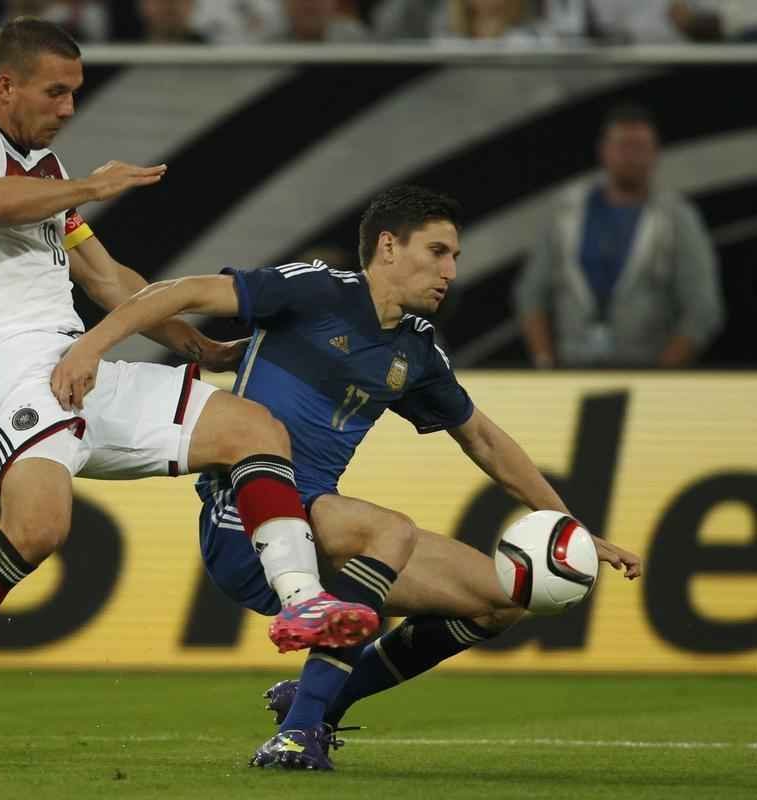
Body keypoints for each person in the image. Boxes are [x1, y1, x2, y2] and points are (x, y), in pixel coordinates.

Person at [0, 17, 377, 769]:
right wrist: (92, 184)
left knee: (252, 428)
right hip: (9, 366)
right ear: (6, 84)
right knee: (38, 531)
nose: (69, 107)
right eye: (56, 91)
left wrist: (193, 344)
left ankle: (301, 600)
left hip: (80, 358)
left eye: (76, 92)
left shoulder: (44, 173)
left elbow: (108, 281)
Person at [51, 185, 644, 770]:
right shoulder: (314, 289)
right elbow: (179, 292)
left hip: (320, 526)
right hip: (243, 524)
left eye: (455, 256)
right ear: (388, 246)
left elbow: (485, 439)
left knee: (505, 600)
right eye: (438, 252)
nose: (451, 270)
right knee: (390, 531)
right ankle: (296, 736)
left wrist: (572, 524)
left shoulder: (417, 353)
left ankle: (321, 702)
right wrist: (90, 348)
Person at [515, 102, 725, 369]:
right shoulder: (566, 212)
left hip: (646, 369)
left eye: (640, 148)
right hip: (571, 369)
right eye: (623, 146)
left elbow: (703, 309)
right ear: (603, 151)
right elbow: (531, 293)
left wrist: (663, 376)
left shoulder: (677, 218)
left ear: (655, 154)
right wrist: (544, 363)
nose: (631, 156)